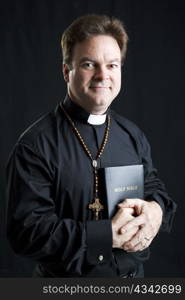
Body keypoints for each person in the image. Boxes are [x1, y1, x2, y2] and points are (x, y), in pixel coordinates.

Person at [6, 14, 176, 278]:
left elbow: (152, 186)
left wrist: (156, 210)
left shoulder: (132, 135)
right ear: (66, 71)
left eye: (112, 65)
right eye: (89, 64)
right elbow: (27, 232)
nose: (102, 75)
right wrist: (104, 236)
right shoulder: (35, 145)